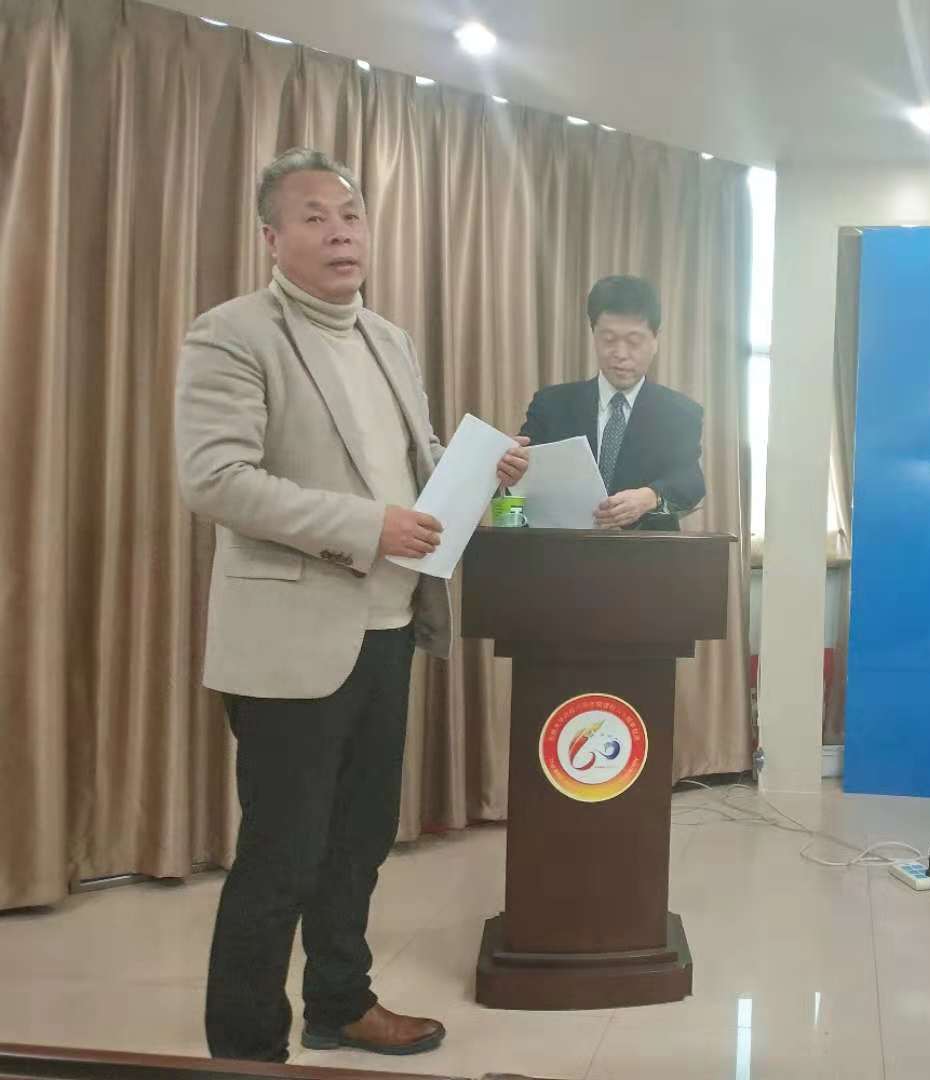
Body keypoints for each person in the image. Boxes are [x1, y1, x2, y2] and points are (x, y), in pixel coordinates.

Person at [173, 147, 529, 1063]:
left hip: (390, 628)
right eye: (314, 217)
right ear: (271, 237)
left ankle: (340, 1002)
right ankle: (246, 1051)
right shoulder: (232, 332)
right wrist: (370, 526)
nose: (340, 233)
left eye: (351, 215)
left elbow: (412, 461)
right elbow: (215, 479)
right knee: (282, 857)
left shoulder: (388, 338)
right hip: (291, 639)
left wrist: (480, 472)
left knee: (360, 841)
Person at [520, 275, 704, 531]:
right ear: (593, 334)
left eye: (634, 342)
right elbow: (519, 481)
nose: (620, 354)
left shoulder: (679, 413)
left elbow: (689, 483)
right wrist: (510, 466)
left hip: (646, 551)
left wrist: (649, 497)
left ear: (655, 340)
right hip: (562, 548)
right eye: (608, 340)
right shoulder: (551, 405)